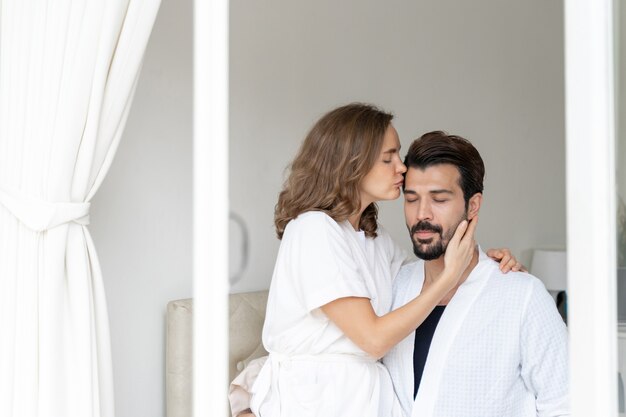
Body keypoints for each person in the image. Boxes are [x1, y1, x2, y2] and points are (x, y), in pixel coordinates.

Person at [232, 104, 522, 417]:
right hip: (316, 400)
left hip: (364, 397)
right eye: (389, 158)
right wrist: (451, 276)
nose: (402, 167)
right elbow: (373, 339)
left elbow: (421, 279)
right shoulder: (312, 229)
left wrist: (485, 266)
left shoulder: (372, 237)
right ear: (351, 163)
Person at [383, 131, 569, 416]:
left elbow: (566, 404)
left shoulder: (521, 295)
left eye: (439, 199)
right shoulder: (393, 287)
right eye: (411, 199)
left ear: (473, 205)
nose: (422, 214)